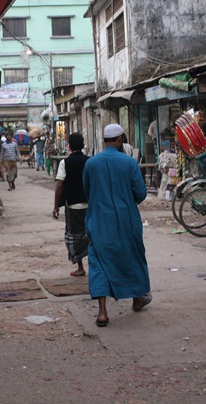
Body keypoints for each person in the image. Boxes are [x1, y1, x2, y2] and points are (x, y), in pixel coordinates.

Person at [83, 124, 151, 328]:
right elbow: (140, 192)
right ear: (120, 139)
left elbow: (88, 190)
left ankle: (102, 312)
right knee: (132, 257)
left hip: (98, 220)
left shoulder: (91, 163)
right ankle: (137, 298)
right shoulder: (129, 162)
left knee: (99, 263)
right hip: (126, 219)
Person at [52, 133, 90, 277]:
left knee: (74, 237)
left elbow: (59, 185)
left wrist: (56, 206)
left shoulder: (65, 163)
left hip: (73, 206)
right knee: (91, 235)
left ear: (69, 145)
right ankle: (94, 265)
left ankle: (80, 267)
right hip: (90, 205)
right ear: (82, 145)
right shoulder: (90, 161)